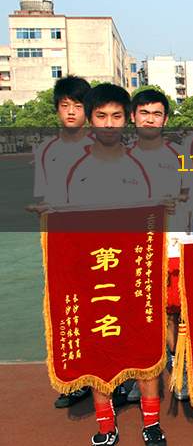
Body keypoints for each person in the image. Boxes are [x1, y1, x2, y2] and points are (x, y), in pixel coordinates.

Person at [64, 84, 166, 446]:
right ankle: (106, 426)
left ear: (127, 120)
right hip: (94, 274)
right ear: (91, 120)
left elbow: (156, 216)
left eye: (116, 116)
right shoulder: (75, 167)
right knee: (99, 350)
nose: (109, 123)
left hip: (135, 273)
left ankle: (151, 423)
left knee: (144, 347)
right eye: (101, 116)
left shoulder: (141, 162)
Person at [30, 75, 94, 408]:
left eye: (78, 106)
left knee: (106, 309)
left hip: (100, 242)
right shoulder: (46, 150)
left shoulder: (103, 146)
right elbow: (44, 197)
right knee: (70, 311)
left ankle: (118, 379)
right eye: (65, 105)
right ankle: (76, 380)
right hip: (63, 244)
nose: (70, 112)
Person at [126, 89, 189, 404]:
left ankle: (179, 369)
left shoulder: (179, 155)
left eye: (156, 114)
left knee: (172, 313)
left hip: (171, 247)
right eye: (144, 113)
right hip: (134, 251)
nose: (150, 119)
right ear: (133, 116)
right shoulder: (120, 157)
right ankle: (141, 372)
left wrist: (179, 200)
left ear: (164, 119)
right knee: (137, 316)